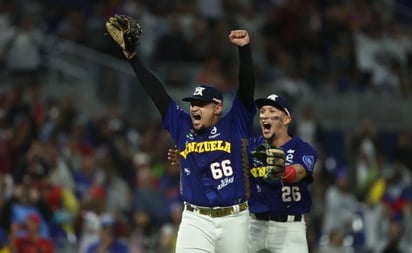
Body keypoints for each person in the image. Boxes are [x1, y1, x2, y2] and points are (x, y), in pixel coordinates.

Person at [109, 24, 256, 253]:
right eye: (192, 104)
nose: (194, 109)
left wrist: (244, 51)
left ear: (217, 107)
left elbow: (246, 87)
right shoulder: (182, 126)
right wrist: (132, 58)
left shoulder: (234, 123)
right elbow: (157, 92)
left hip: (235, 219)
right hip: (196, 220)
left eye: (201, 104)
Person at [169, 94, 317, 253]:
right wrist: (189, 158)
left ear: (287, 118)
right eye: (262, 111)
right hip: (253, 225)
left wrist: (284, 171)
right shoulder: (249, 146)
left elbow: (300, 172)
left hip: (290, 228)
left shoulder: (302, 148)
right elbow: (220, 157)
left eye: (271, 111)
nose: (264, 115)